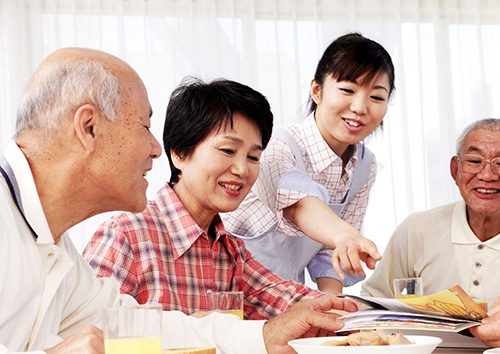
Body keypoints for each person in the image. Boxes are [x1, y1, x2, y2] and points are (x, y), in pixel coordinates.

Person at [0, 47, 358, 354]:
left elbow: (131, 325)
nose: (155, 150)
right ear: (89, 127)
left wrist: (266, 334)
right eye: (143, 127)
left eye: (253, 156)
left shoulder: (54, 247)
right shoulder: (115, 234)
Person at [83, 78, 325, 321]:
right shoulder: (125, 235)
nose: (242, 170)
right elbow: (86, 336)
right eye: (228, 151)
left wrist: (355, 311)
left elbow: (281, 297)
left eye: (253, 157)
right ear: (179, 153)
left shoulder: (230, 249)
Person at [222, 32, 394, 294]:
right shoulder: (277, 146)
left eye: (377, 97)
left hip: (286, 299)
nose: (360, 107)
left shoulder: (364, 166)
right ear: (317, 90)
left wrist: (334, 308)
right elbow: (300, 205)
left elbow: (329, 254)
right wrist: (346, 235)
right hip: (228, 294)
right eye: (347, 90)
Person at [361, 119, 500, 311]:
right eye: (475, 161)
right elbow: (373, 301)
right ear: (455, 170)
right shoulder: (417, 229)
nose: (488, 175)